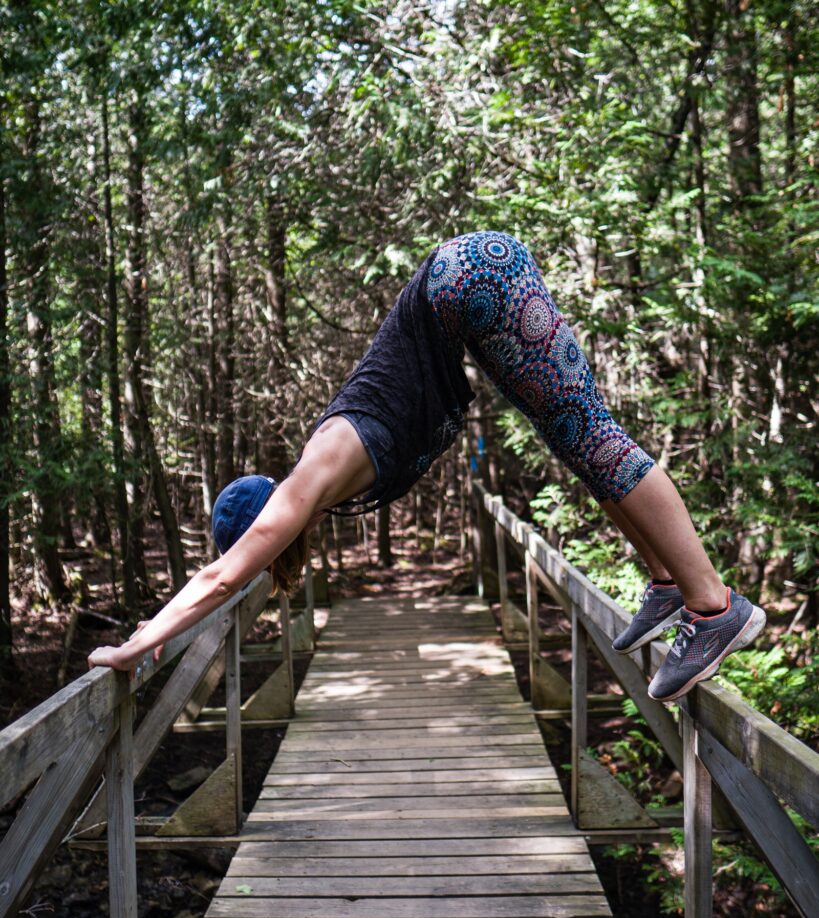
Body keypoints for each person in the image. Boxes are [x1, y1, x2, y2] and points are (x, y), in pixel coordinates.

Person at [88, 231, 765, 702]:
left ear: (267, 525)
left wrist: (142, 636)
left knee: (589, 433)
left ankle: (711, 605)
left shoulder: (310, 477)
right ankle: (666, 580)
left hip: (471, 277)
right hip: (465, 282)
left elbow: (218, 575)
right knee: (572, 439)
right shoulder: (321, 475)